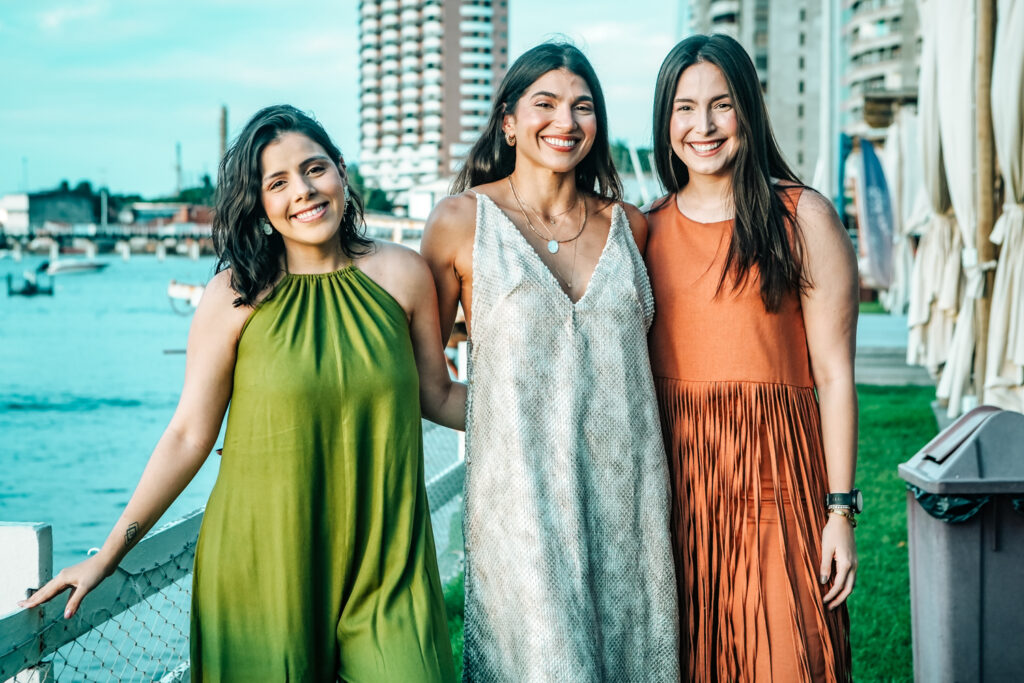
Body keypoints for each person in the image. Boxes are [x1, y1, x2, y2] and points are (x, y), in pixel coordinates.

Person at [20, 105, 461, 682]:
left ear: (341, 173)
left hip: (388, 563)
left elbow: (440, 395)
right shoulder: (234, 295)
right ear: (260, 205)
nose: (303, 192)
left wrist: (546, 409)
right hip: (263, 566)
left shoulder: (404, 274)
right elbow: (187, 434)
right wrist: (108, 554)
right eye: (277, 183)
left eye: (314, 169)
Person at [421, 43, 679, 681]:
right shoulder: (460, 222)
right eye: (546, 103)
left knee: (637, 658)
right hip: (522, 507)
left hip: (632, 501)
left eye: (582, 107)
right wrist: (514, 429)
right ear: (508, 121)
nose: (565, 121)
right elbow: (428, 386)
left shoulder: (631, 226)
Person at [644, 34, 857, 682]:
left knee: (790, 657)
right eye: (684, 108)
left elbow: (834, 375)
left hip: (777, 475)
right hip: (676, 487)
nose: (702, 126)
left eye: (722, 105)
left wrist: (840, 510)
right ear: (665, 120)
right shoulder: (642, 228)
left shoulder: (802, 216)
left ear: (749, 112)